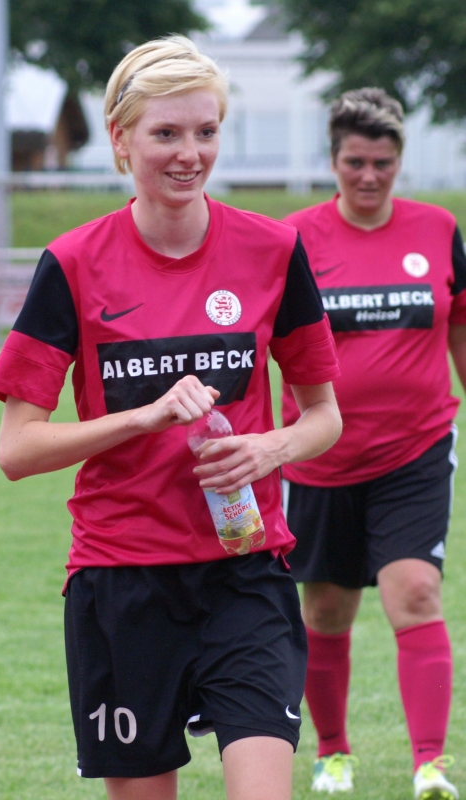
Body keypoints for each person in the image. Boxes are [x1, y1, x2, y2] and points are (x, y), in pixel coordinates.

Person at [0, 36, 341, 800]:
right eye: (166, 133)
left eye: (205, 131)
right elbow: (16, 450)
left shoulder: (274, 250)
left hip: (245, 571)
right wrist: (141, 419)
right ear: (120, 140)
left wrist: (270, 449)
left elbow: (323, 415)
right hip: (123, 580)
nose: (189, 154)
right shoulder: (73, 263)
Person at [282, 87, 466, 799]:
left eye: (382, 163)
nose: (368, 176)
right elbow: (265, 341)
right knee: (326, 611)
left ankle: (429, 763)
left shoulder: (438, 229)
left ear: (399, 162)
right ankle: (332, 753)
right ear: (332, 160)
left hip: (415, 450)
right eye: (354, 162)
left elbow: (459, 325)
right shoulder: (293, 239)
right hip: (317, 457)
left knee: (415, 592)